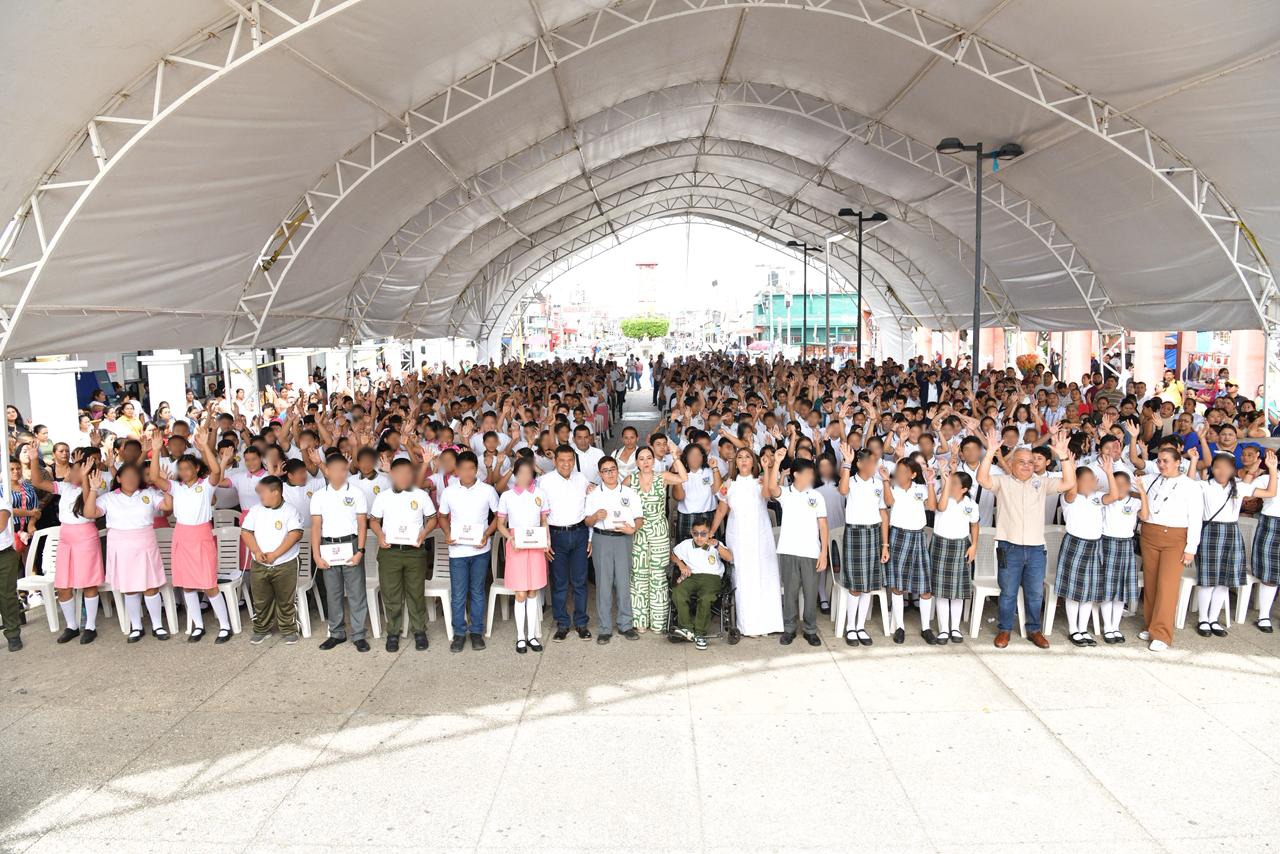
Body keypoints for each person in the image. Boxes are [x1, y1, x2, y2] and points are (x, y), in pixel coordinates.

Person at [978, 428, 1075, 649]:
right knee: (1008, 592)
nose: (1026, 466)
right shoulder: (1002, 482)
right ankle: (1004, 630)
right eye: (1021, 462)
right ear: (1011, 464)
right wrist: (991, 451)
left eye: (1030, 462)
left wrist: (1064, 456)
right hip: (1008, 547)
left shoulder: (1041, 484)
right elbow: (982, 479)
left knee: (1034, 593)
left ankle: (1034, 630)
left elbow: (1068, 483)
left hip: (1035, 548)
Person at [148, 426, 233, 643]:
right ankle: (198, 625)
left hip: (202, 536)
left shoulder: (206, 487)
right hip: (182, 537)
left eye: (188, 468)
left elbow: (215, 472)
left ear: (196, 468)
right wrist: (156, 450)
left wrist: (204, 446)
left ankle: (224, 626)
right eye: (181, 469)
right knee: (187, 584)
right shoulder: (176, 488)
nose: (185, 472)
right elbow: (154, 477)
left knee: (208, 583)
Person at [81, 462, 172, 642]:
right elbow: (89, 512)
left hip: (145, 545)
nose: (131, 479)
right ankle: (136, 627)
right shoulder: (108, 498)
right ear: (118, 479)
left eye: (134, 476)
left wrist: (166, 484)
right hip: (121, 547)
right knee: (130, 589)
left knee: (150, 585)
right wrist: (92, 490)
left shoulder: (148, 494)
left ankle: (157, 626)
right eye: (127, 476)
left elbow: (168, 507)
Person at [1194, 451, 1275, 638]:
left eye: (1227, 468)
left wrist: (1271, 469)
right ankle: (1203, 619)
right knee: (1208, 580)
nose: (1222, 471)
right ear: (1212, 468)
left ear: (1233, 470)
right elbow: (1189, 483)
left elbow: (1270, 493)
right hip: (1210, 532)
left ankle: (1213, 619)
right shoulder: (1204, 485)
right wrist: (1193, 462)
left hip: (1232, 532)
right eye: (1217, 467)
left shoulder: (1240, 487)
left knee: (1224, 580)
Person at [1136, 447, 1203, 651]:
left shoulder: (1191, 486)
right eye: (1159, 462)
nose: (1161, 465)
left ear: (1177, 463)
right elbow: (1130, 482)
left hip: (1175, 537)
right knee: (1151, 582)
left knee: (1167, 585)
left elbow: (1196, 518)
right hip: (1149, 533)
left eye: (1165, 461)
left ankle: (1162, 634)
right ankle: (1151, 625)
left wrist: (1191, 547)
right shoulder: (1151, 479)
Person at [711, 447, 783, 637]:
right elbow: (721, 510)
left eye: (747, 457)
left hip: (760, 534)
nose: (743, 461)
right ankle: (748, 624)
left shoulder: (759, 481)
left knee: (764, 574)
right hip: (738, 535)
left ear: (754, 462)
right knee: (743, 577)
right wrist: (711, 532)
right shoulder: (729, 484)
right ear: (735, 462)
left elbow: (768, 494)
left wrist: (767, 469)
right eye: (740, 457)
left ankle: (769, 622)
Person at [369, 457, 437, 652]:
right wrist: (380, 534)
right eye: (400, 473)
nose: (404, 477)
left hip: (415, 552)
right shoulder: (383, 497)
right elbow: (373, 520)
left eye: (408, 473)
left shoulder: (421, 495)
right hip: (390, 552)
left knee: (416, 593)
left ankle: (419, 631)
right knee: (391, 594)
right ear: (392, 474)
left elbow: (432, 519)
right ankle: (393, 632)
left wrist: (424, 533)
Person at [437, 450, 499, 652]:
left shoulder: (487, 490)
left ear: (476, 469)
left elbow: (499, 516)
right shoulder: (449, 492)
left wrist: (487, 533)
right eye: (462, 469)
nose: (467, 472)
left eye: (471, 468)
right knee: (458, 595)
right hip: (457, 552)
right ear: (457, 470)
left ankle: (476, 632)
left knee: (477, 592)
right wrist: (447, 533)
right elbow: (442, 516)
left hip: (480, 550)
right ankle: (460, 633)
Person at [309, 452, 371, 652]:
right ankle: (336, 633)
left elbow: (362, 524)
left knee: (356, 593)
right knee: (333, 593)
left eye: (344, 469)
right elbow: (316, 527)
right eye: (335, 469)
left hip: (351, 545)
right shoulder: (319, 496)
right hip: (328, 546)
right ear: (327, 471)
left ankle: (359, 634)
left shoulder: (357, 493)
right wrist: (316, 555)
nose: (340, 473)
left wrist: (360, 550)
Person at [769, 457, 828, 647]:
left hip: (811, 551)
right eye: (809, 473)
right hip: (788, 550)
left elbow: (823, 526)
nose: (812, 476)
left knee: (811, 594)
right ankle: (789, 628)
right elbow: (771, 489)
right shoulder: (786, 493)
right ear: (796, 474)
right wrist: (776, 463)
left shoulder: (816, 496)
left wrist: (824, 553)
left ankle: (810, 629)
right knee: (791, 592)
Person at [627, 446, 687, 632]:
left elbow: (684, 478)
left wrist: (675, 457)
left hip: (659, 531)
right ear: (636, 462)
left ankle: (659, 622)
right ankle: (640, 621)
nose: (645, 462)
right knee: (639, 576)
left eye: (649, 458)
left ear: (654, 460)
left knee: (658, 575)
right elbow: (617, 497)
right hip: (639, 531)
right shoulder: (630, 480)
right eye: (641, 459)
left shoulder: (662, 476)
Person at [583, 455, 642, 643]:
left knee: (624, 583)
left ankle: (626, 624)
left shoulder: (629, 493)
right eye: (606, 470)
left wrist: (633, 528)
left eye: (613, 469)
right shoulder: (594, 494)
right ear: (600, 474)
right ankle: (605, 628)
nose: (610, 473)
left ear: (618, 470)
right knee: (604, 584)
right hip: (603, 539)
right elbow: (587, 521)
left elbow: (639, 517)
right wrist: (594, 516)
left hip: (624, 538)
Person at [495, 457, 551, 653]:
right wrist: (509, 538)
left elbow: (544, 520)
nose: (525, 476)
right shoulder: (507, 496)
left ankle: (532, 636)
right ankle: (520, 637)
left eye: (529, 472)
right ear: (515, 474)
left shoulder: (540, 494)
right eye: (521, 472)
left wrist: (547, 540)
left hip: (535, 547)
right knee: (520, 593)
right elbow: (501, 524)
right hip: (516, 546)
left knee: (533, 591)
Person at [241, 476, 305, 643]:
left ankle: (289, 629)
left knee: (286, 599)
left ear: (275, 492)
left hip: (285, 564)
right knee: (261, 599)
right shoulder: (256, 509)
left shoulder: (290, 511)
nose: (260, 496)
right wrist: (256, 551)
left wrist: (275, 554)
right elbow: (246, 532)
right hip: (259, 563)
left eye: (263, 492)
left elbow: (295, 534)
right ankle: (262, 629)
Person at [537, 444, 592, 641]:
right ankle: (562, 623)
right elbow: (539, 514)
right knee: (559, 583)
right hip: (556, 536)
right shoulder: (543, 482)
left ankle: (581, 623)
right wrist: (544, 541)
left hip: (579, 533)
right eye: (562, 460)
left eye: (570, 460)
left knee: (579, 581)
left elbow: (590, 508)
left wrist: (590, 537)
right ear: (555, 461)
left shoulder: (582, 479)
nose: (566, 464)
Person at [881, 457, 937, 644]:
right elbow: (889, 502)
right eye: (899, 471)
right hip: (898, 535)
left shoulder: (920, 490)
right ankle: (899, 626)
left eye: (905, 472)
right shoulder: (892, 487)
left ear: (913, 474)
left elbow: (931, 506)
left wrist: (930, 481)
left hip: (917, 537)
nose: (901, 474)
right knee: (897, 585)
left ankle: (926, 628)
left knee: (925, 586)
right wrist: (886, 481)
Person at [1054, 464, 1110, 647]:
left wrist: (1109, 472)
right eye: (1086, 479)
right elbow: (1071, 488)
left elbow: (1115, 496)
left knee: (1089, 591)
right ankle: (1073, 630)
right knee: (1073, 590)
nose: (1091, 482)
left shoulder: (1097, 498)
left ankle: (1083, 629)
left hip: (1095, 545)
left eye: (1092, 479)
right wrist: (1069, 466)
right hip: (1075, 544)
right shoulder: (1069, 497)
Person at [837, 446, 888, 646]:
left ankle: (860, 626)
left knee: (869, 586)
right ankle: (851, 627)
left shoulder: (878, 484)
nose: (875, 465)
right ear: (860, 464)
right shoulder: (850, 481)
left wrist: (885, 544)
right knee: (856, 586)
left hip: (874, 532)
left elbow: (883, 513)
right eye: (872, 462)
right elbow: (842, 491)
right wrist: (847, 463)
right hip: (855, 533)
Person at [930, 463, 978, 645]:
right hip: (941, 544)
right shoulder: (945, 498)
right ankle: (943, 629)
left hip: (960, 546)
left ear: (964, 489)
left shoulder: (971, 505)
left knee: (957, 591)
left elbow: (975, 525)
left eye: (955, 482)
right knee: (942, 590)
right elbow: (940, 508)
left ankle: (955, 627)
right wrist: (945, 479)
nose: (951, 484)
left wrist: (974, 545)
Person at [670, 520, 733, 650]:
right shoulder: (686, 544)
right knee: (678, 592)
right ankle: (687, 629)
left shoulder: (715, 544)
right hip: (692, 576)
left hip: (712, 577)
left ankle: (700, 633)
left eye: (703, 534)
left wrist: (717, 546)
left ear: (709, 533)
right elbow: (673, 555)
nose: (699, 537)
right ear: (691, 533)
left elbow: (729, 558)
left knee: (706, 597)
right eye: (695, 533)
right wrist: (681, 565)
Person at [1098, 469, 1142, 643]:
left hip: (1126, 545)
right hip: (1107, 543)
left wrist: (1142, 492)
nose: (1121, 488)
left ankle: (1115, 626)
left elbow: (1145, 515)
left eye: (1124, 484)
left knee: (1121, 590)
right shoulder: (1105, 501)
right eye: (1116, 485)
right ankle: (1107, 627)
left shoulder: (1135, 502)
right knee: (1107, 589)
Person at [0, 488, 18, 652]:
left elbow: (1, 524)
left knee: (6, 596)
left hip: (4, 556)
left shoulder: (1, 501)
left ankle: (13, 634)